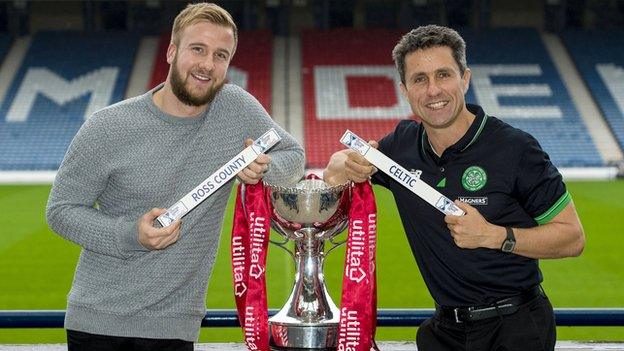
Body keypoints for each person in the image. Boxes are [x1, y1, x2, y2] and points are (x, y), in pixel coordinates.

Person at [46, 3, 304, 350]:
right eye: (198, 49)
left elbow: (293, 156)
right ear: (171, 52)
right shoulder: (108, 126)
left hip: (175, 326)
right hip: (98, 322)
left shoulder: (235, 109)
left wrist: (263, 169)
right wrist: (129, 233)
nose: (207, 65)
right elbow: (60, 210)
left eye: (220, 55)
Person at [323, 25, 585, 351]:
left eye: (443, 75)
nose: (433, 90)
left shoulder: (516, 148)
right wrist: (343, 166)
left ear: (465, 78)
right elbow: (337, 165)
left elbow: (573, 237)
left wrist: (493, 235)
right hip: (444, 332)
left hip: (515, 327)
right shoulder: (401, 146)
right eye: (420, 79)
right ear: (405, 89)